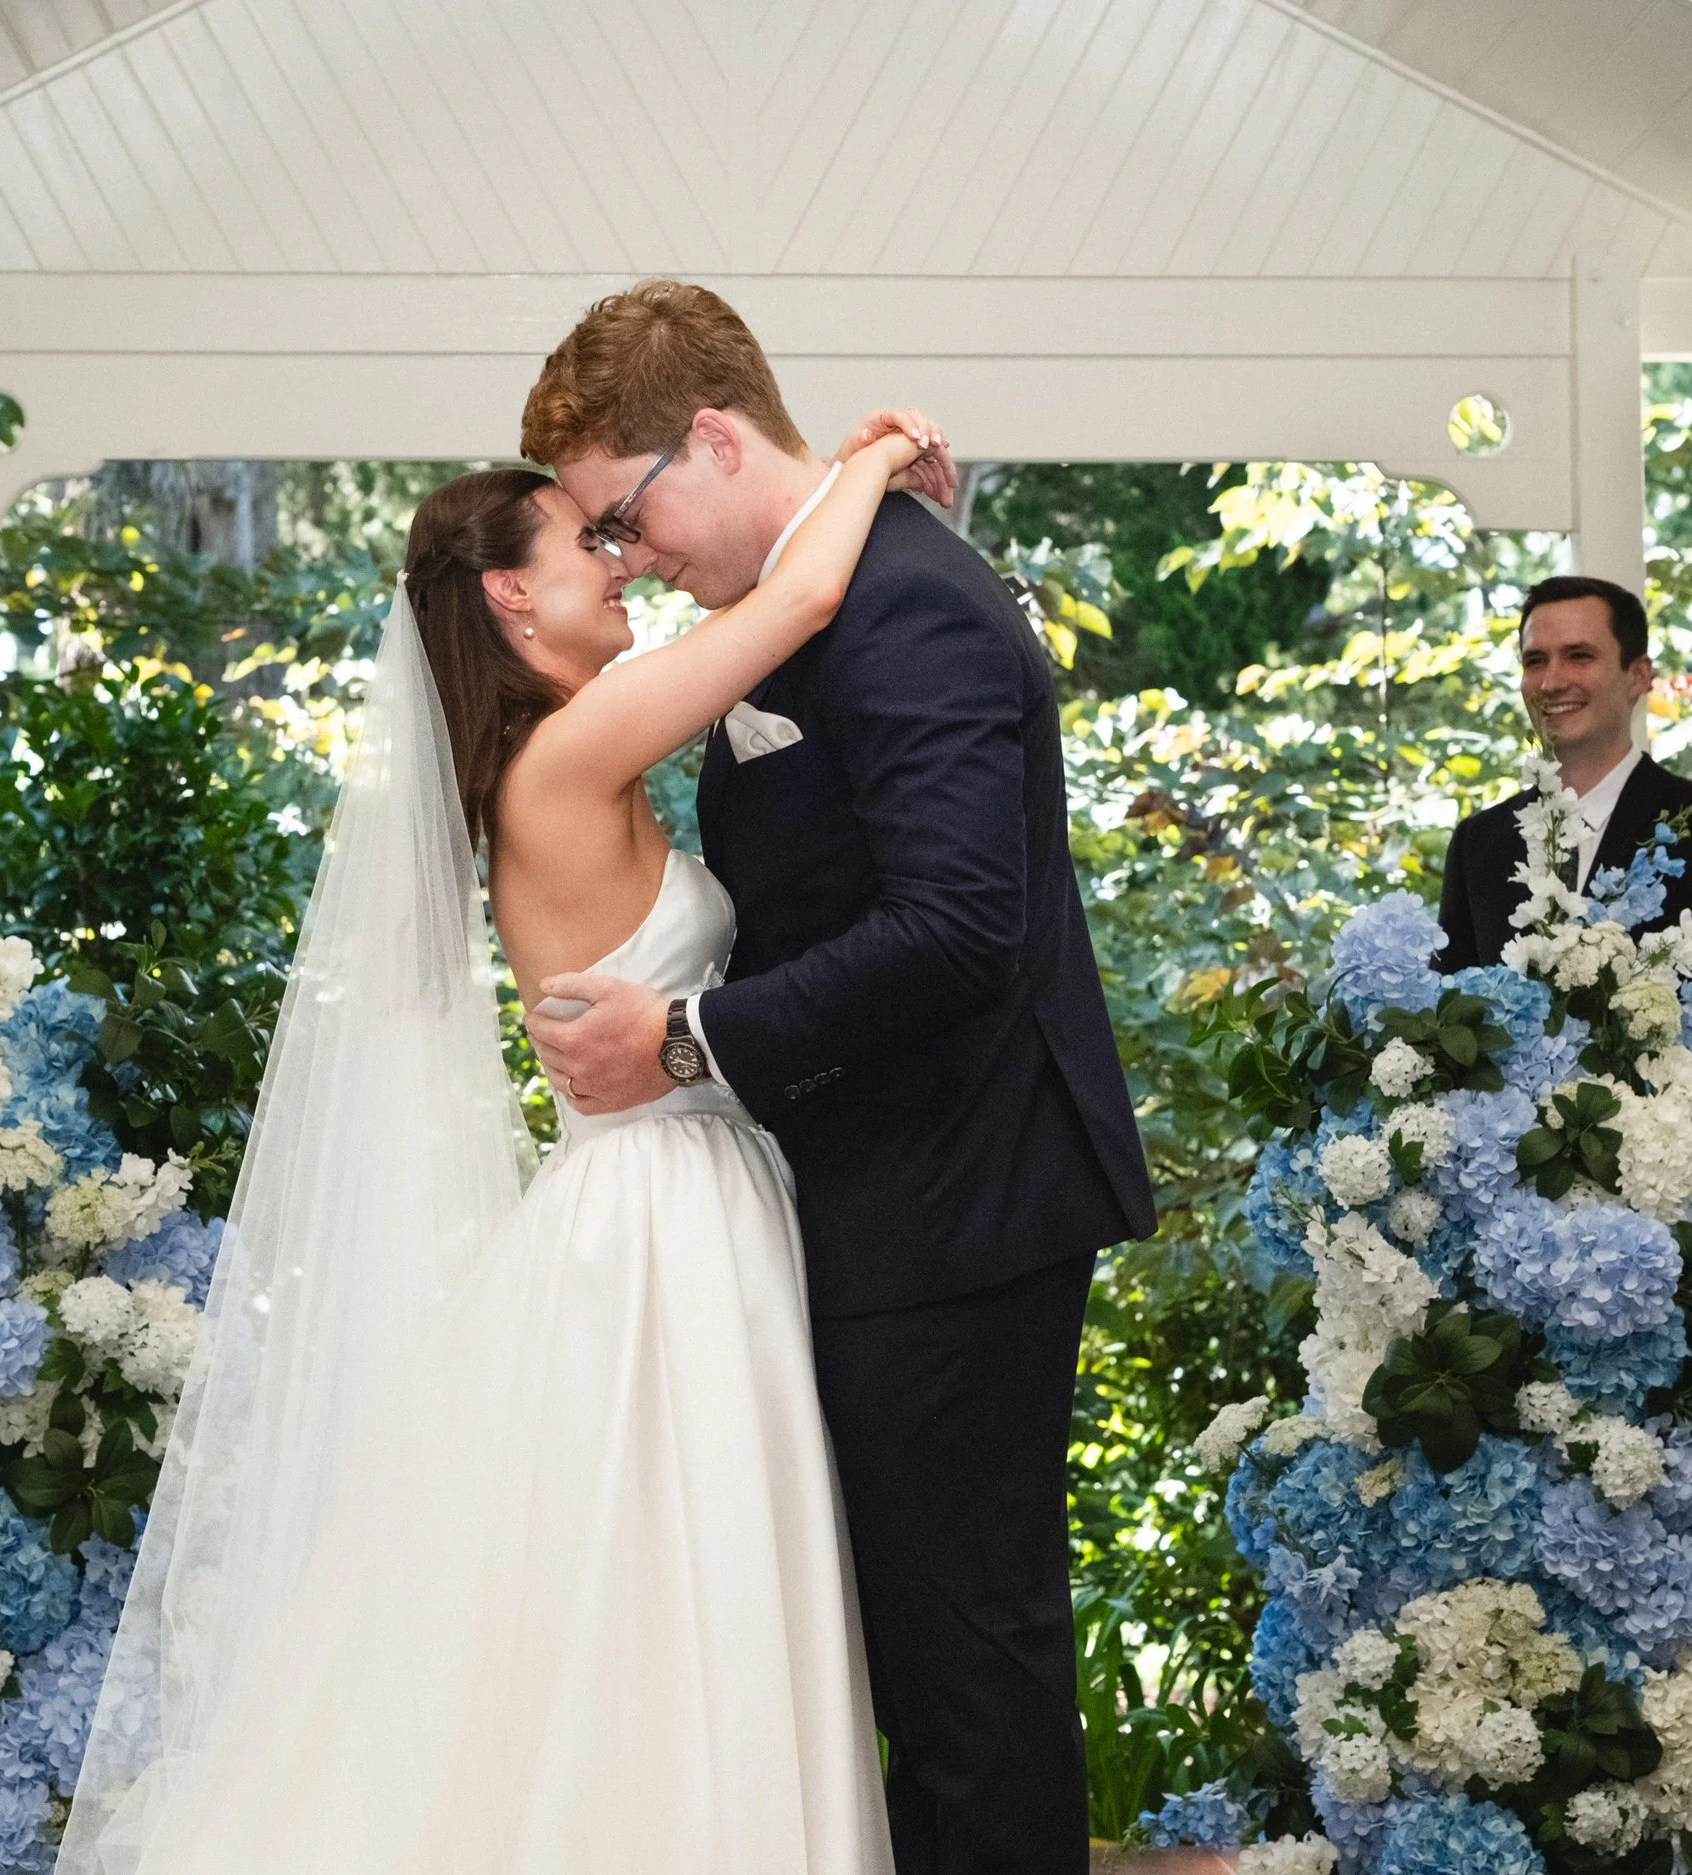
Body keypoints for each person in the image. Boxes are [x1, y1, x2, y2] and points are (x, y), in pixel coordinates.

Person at [56, 411, 952, 1875]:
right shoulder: (566, 753)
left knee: (668, 1588)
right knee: (675, 1586)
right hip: (657, 1217)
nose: (618, 565)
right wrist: (869, 458)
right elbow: (795, 599)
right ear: (507, 595)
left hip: (692, 1189)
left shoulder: (580, 755)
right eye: (583, 543)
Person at [520, 281, 1156, 1875]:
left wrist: (681, 1042)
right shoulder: (826, 590)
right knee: (916, 1649)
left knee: (967, 1659)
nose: (630, 554)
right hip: (884, 1191)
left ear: (712, 436)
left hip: (959, 1198)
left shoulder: (906, 599)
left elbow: (955, 926)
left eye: (625, 511)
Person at [1437, 573, 1692, 1081]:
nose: (1552, 681)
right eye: (1535, 660)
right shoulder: (1480, 843)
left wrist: (1611, 1072)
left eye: (1579, 655)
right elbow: (1446, 1024)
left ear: (1637, 676)